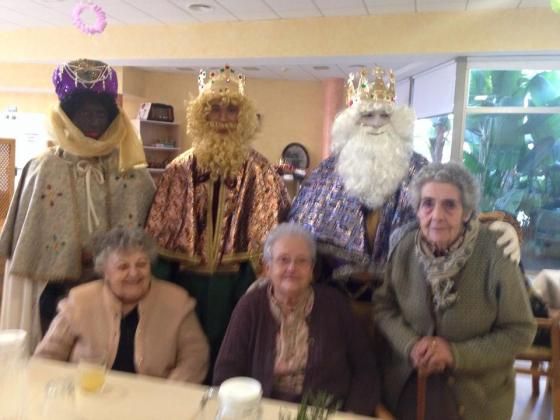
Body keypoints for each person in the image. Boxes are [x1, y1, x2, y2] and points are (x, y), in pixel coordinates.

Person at [288, 67, 520, 297]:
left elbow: (457, 211)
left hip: (405, 300)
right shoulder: (325, 174)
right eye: (367, 116)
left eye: (385, 116)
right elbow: (296, 235)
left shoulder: (421, 169)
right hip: (338, 303)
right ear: (352, 122)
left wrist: (497, 227)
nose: (376, 123)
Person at [0, 59, 155, 348]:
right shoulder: (42, 167)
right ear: (68, 116)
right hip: (55, 291)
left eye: (99, 113)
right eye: (84, 113)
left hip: (120, 292)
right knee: (55, 353)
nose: (93, 122)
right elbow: (25, 241)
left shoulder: (134, 172)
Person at [145, 65, 289, 369]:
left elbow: (272, 237)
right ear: (201, 115)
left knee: (234, 356)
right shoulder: (178, 170)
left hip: (238, 284)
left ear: (243, 116)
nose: (223, 118)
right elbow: (160, 235)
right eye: (214, 109)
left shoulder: (262, 172)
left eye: (232, 110)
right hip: (185, 283)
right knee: (182, 355)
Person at [372, 162, 536, 420]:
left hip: (476, 396)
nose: (436, 215)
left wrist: (454, 354)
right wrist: (410, 344)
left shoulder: (495, 252)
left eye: (449, 205)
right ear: (417, 209)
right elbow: (384, 307)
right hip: (406, 385)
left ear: (467, 212)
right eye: (428, 203)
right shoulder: (404, 247)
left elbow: (520, 331)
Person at [213, 223, 379, 416]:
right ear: (268, 267)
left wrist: (351, 413)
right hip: (261, 411)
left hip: (323, 413)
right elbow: (226, 371)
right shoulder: (250, 306)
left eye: (301, 261)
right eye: (283, 260)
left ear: (311, 269)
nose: (292, 268)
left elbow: (366, 369)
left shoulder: (335, 305)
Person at [35, 228, 209, 383]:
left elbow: (195, 357)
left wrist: (168, 394)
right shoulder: (79, 302)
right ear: (105, 272)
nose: (134, 273)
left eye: (141, 264)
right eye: (123, 267)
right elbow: (46, 357)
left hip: (152, 401)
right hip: (88, 397)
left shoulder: (177, 302)